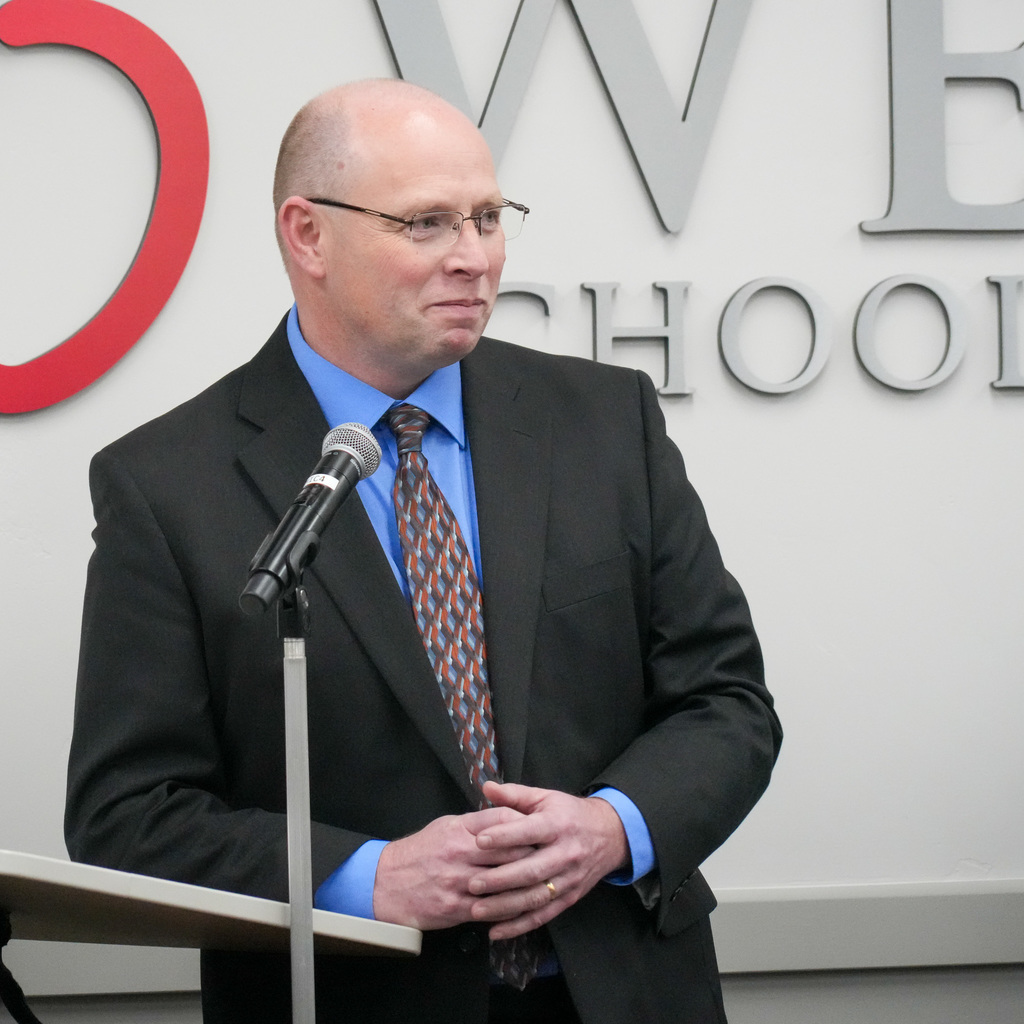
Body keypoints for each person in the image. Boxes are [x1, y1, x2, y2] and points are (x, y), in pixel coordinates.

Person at [65, 79, 782, 1023]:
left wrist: (615, 827)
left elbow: (727, 703)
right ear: (307, 234)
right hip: (360, 998)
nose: (474, 258)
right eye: (428, 223)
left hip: (627, 990)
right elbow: (128, 813)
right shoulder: (166, 485)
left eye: (488, 218)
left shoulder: (608, 423)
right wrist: (366, 879)